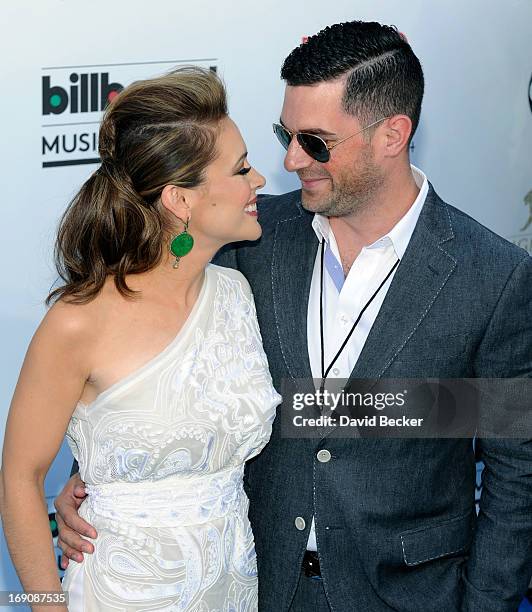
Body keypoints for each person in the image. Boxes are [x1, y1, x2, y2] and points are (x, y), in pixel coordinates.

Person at [55, 20, 532, 612]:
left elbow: (516, 471)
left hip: (405, 594)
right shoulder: (249, 239)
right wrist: (101, 480)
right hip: (255, 581)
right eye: (287, 133)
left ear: (393, 134)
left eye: (316, 140)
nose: (290, 157)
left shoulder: (493, 275)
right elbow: (151, 356)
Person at [0, 67, 281, 611]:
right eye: (241, 168)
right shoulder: (78, 321)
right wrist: (46, 606)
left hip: (234, 590)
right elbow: (19, 478)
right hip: (121, 594)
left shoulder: (235, 293)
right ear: (180, 200)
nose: (260, 181)